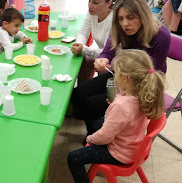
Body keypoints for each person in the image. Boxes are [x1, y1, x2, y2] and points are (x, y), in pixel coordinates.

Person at [70, 0, 170, 141]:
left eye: (130, 17)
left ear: (143, 15)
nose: (125, 24)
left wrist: (122, 94)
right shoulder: (119, 28)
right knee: (78, 94)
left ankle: (102, 136)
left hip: (141, 86)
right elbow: (107, 52)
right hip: (121, 78)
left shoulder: (161, 35)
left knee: (91, 104)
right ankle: (101, 129)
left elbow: (154, 74)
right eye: (121, 18)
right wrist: (103, 60)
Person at [67, 49, 165, 183]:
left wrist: (90, 139)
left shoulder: (121, 106)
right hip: (134, 146)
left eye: (115, 73)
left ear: (125, 78)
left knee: (74, 158)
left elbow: (105, 137)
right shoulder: (144, 95)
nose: (114, 75)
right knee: (97, 123)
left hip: (119, 153)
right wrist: (115, 105)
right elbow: (127, 115)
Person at [71, 0, 120, 85]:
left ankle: (92, 91)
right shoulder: (92, 12)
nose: (90, 5)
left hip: (116, 59)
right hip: (104, 56)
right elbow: (83, 31)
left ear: (109, 3)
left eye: (95, 2)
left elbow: (109, 51)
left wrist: (84, 49)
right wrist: (79, 45)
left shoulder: (113, 20)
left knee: (99, 66)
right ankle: (81, 90)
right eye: (89, 0)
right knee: (84, 60)